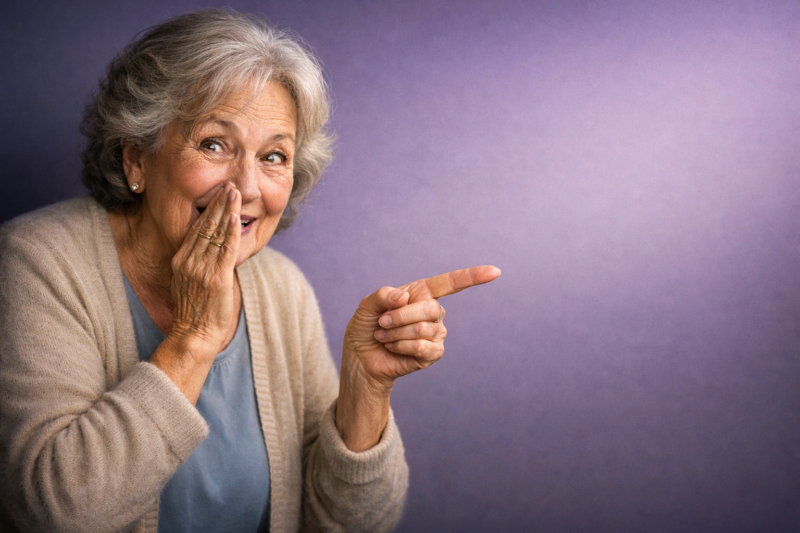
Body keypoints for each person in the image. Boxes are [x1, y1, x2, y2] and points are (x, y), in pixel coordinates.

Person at [0, 9, 500, 533]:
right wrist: (193, 338)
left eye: (274, 157)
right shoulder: (37, 262)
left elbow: (353, 524)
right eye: (214, 145)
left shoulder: (282, 288)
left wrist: (364, 391)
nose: (247, 188)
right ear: (136, 159)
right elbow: (56, 512)